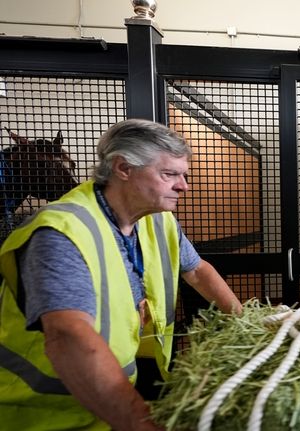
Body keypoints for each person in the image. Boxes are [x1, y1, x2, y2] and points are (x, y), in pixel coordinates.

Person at [0, 118, 243, 430]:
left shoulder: (159, 220)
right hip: (47, 412)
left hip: (118, 394)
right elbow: (67, 336)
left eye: (183, 175)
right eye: (169, 174)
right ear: (123, 168)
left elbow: (197, 271)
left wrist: (245, 320)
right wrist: (140, 423)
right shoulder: (60, 233)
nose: (184, 186)